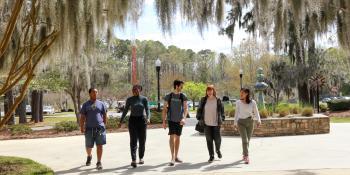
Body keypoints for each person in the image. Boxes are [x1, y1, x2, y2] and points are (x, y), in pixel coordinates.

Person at [119, 85, 150, 168]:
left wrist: (148, 118)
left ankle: (141, 157)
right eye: (133, 90)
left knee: (142, 140)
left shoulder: (144, 99)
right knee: (133, 141)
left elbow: (147, 109)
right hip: (132, 121)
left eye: (136, 89)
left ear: (140, 90)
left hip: (142, 120)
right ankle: (133, 160)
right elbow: (125, 110)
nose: (135, 91)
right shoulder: (130, 99)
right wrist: (121, 120)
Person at [162, 80, 188, 166]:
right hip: (171, 119)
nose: (182, 88)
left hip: (180, 120)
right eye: (181, 86)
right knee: (172, 137)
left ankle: (176, 156)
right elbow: (165, 109)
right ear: (176, 86)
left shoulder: (183, 96)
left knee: (177, 138)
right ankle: (172, 157)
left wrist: (184, 119)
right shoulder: (168, 96)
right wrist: (164, 121)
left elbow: (185, 108)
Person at [80, 88, 107, 170]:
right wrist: (81, 127)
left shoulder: (101, 104)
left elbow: (105, 115)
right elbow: (82, 117)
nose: (95, 94)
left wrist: (104, 125)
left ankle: (99, 162)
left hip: (99, 128)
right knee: (88, 146)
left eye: (96, 92)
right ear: (89, 94)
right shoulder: (85, 105)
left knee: (99, 145)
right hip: (89, 128)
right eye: (93, 92)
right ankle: (89, 156)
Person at [196, 85, 225, 163]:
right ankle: (211, 156)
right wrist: (198, 117)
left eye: (210, 90)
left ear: (213, 91)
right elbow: (199, 109)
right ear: (206, 92)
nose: (209, 92)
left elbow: (222, 111)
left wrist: (222, 119)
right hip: (206, 124)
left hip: (216, 123)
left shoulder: (218, 100)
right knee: (209, 140)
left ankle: (218, 150)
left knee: (218, 139)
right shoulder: (203, 100)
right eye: (208, 90)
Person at [234, 88, 261, 164]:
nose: (241, 94)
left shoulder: (252, 102)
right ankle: (246, 156)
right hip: (241, 123)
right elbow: (236, 113)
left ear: (246, 94)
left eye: (242, 93)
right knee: (245, 140)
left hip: (250, 122)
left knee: (247, 140)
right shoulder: (238, 102)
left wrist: (258, 120)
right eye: (240, 93)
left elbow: (256, 111)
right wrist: (235, 123)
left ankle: (244, 153)